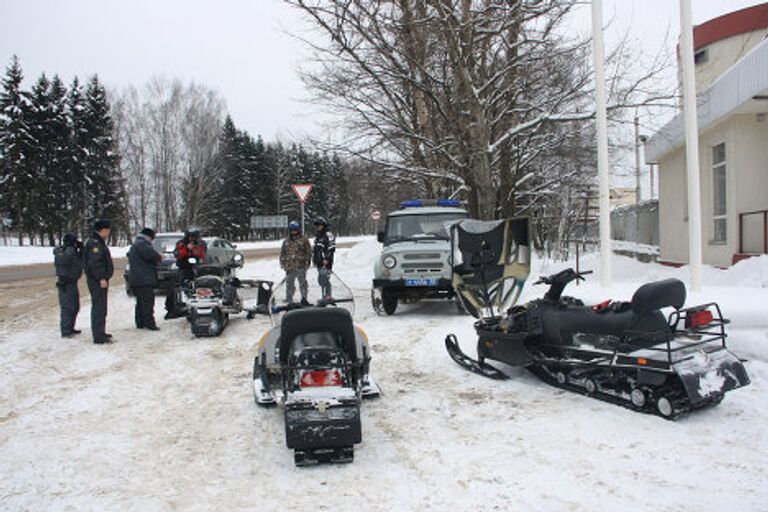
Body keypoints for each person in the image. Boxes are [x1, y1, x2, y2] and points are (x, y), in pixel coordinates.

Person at [164, 228, 207, 319]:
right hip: (184, 267)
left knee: (201, 286)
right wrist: (186, 249)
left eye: (194, 237)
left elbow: (203, 254)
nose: (192, 239)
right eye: (190, 236)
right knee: (177, 287)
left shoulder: (201, 243)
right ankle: (174, 308)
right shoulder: (181, 243)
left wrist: (196, 250)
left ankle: (201, 305)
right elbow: (177, 254)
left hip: (199, 268)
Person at [83, 219, 114, 344]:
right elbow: (95, 263)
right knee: (99, 307)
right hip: (97, 281)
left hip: (99, 280)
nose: (108, 232)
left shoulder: (97, 242)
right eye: (108, 230)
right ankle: (98, 336)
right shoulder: (94, 243)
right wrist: (101, 277)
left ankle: (101, 331)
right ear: (103, 230)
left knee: (101, 307)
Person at [127, 227, 162, 330]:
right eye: (152, 239)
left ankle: (140, 322)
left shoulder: (136, 244)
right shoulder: (142, 244)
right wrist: (159, 257)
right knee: (147, 302)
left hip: (137, 278)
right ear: (149, 237)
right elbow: (151, 255)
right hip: (143, 279)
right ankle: (149, 323)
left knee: (140, 302)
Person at [53, 232, 83, 338]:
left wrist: (81, 248)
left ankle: (71, 327)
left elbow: (82, 259)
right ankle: (66, 331)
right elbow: (63, 260)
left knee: (75, 306)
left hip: (73, 282)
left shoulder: (72, 252)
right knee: (67, 307)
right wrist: (71, 248)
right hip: (65, 283)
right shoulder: (61, 251)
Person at [279, 221, 312, 305]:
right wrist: (283, 263)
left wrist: (307, 263)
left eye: (295, 230)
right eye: (292, 230)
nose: (293, 232)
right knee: (289, 283)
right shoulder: (286, 241)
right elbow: (282, 253)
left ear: (298, 230)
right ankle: (289, 298)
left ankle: (304, 298)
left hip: (301, 266)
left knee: (303, 283)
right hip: (290, 267)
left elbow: (308, 252)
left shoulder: (304, 240)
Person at [312, 216, 336, 300]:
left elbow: (331, 248)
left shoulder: (328, 234)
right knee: (321, 280)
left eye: (320, 225)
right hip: (319, 262)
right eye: (317, 225)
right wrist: (314, 260)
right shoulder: (318, 236)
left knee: (325, 279)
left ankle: (328, 295)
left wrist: (327, 259)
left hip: (326, 262)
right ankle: (324, 296)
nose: (318, 227)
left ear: (324, 225)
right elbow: (316, 249)